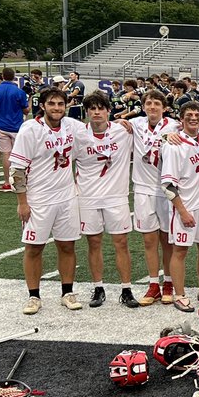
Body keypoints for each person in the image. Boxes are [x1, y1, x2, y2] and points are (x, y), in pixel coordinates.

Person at [11, 87, 84, 314]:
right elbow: (18, 170)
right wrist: (22, 202)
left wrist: (122, 123)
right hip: (39, 199)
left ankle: (67, 292)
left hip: (66, 197)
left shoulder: (72, 125)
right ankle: (34, 296)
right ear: (43, 106)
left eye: (60, 104)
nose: (56, 108)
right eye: (52, 104)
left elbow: (100, 127)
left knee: (67, 245)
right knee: (34, 247)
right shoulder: (30, 129)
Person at [73, 92, 138, 309]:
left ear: (108, 110)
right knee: (94, 243)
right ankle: (98, 287)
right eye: (92, 109)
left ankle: (126, 289)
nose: (97, 112)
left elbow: (155, 124)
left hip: (116, 196)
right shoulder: (78, 134)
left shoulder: (123, 130)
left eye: (101, 108)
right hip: (88, 197)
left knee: (121, 243)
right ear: (87, 112)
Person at [161, 102, 199, 311]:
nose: (194, 118)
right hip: (185, 206)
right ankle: (179, 294)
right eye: (189, 115)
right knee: (181, 250)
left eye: (197, 114)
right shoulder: (173, 145)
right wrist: (182, 211)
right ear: (181, 119)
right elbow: (167, 185)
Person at [131, 89, 181, 306]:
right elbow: (109, 124)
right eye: (149, 103)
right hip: (142, 188)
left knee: (167, 239)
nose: (152, 107)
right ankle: (153, 284)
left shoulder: (174, 125)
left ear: (164, 107)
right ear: (143, 106)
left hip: (165, 189)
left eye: (156, 104)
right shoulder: (134, 124)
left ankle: (168, 282)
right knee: (149, 240)